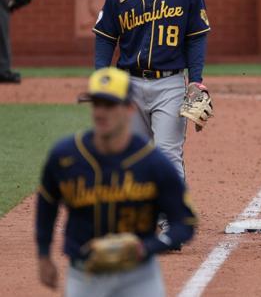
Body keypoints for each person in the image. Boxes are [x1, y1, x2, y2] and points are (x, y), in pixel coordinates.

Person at [35, 67, 197, 295]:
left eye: (110, 105)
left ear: (130, 108)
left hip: (139, 277)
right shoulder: (66, 157)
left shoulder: (153, 163)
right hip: (84, 277)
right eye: (97, 103)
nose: (101, 112)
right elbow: (46, 205)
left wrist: (146, 247)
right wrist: (43, 255)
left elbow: (185, 222)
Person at [93, 0, 212, 182]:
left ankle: (174, 219)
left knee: (167, 154)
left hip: (170, 84)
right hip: (129, 84)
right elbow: (105, 38)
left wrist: (195, 80)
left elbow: (196, 39)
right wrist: (102, 77)